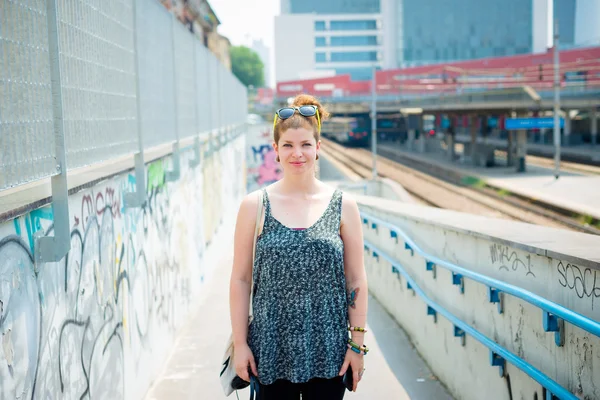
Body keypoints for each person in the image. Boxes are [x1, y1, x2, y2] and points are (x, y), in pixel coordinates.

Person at [229, 94, 369, 399]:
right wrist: (240, 345)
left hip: (329, 350)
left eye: (306, 144)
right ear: (276, 149)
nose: (298, 154)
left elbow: (356, 279)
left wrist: (357, 347)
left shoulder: (344, 205)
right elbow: (240, 279)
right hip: (270, 350)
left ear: (318, 148)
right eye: (288, 145)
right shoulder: (255, 206)